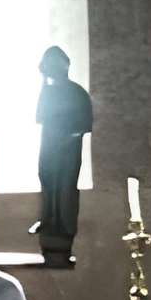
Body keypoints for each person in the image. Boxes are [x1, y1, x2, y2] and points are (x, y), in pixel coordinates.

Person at [31, 44, 93, 265]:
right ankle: (48, 221)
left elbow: (85, 124)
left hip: (66, 152)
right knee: (48, 184)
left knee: (65, 189)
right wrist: (43, 84)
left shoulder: (77, 92)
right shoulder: (48, 92)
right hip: (49, 148)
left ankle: (63, 229)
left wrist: (68, 138)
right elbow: (39, 117)